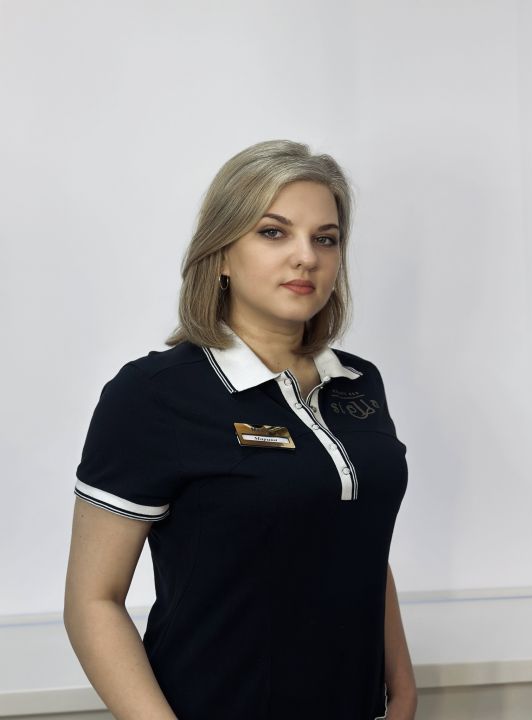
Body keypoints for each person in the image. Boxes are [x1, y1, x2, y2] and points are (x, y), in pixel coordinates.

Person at [64, 139, 417, 720]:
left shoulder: (358, 382)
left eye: (325, 238)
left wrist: (401, 689)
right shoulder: (153, 395)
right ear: (222, 253)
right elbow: (92, 602)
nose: (306, 257)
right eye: (273, 232)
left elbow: (361, 545)